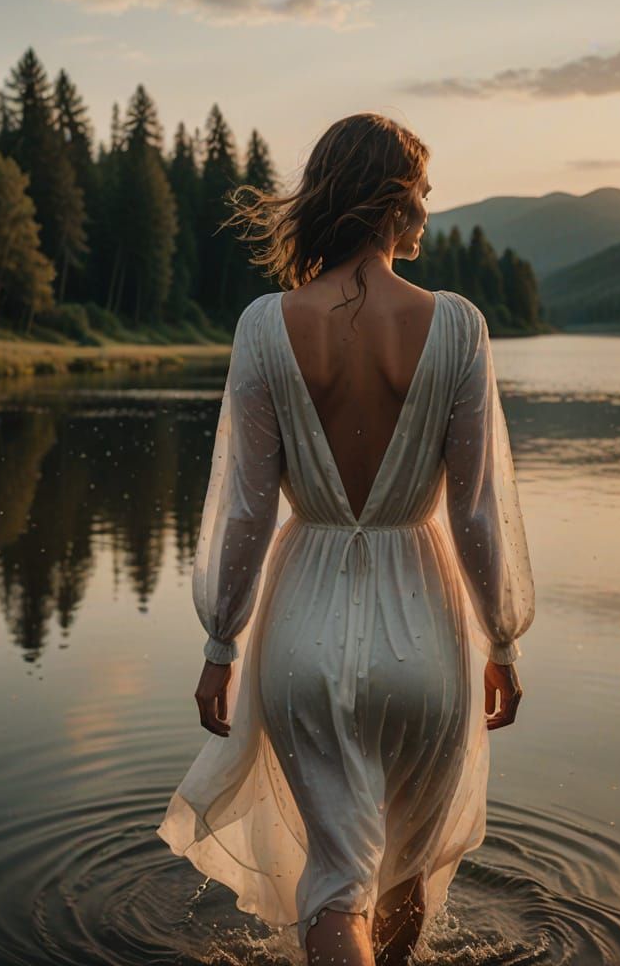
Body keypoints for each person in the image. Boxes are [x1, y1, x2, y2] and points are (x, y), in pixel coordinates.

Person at [156, 112, 536, 966]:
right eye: (424, 194)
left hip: (303, 629)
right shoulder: (460, 328)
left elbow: (248, 509)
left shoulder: (265, 326)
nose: (431, 213)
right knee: (401, 876)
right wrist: (503, 637)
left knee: (336, 880)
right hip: (425, 627)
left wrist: (221, 641)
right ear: (393, 202)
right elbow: (474, 511)